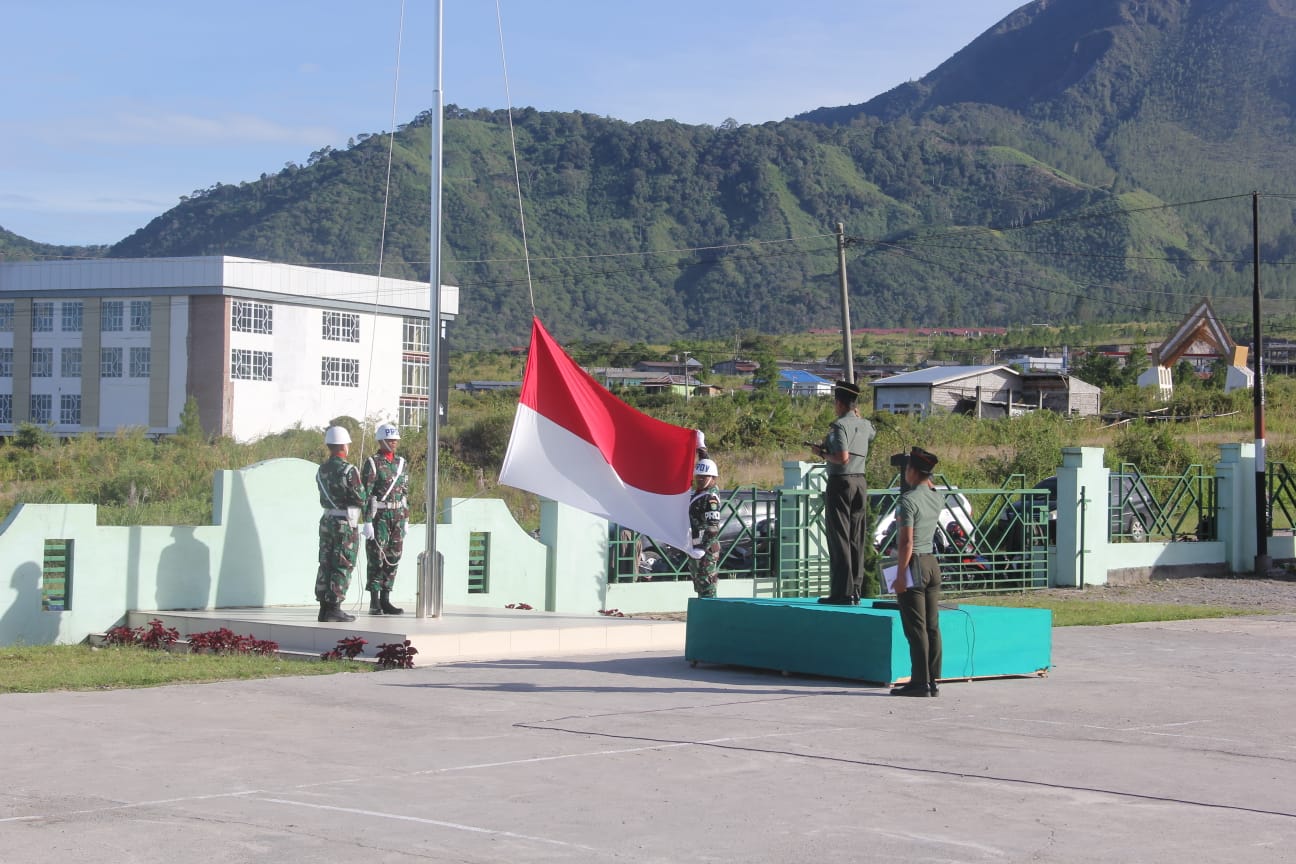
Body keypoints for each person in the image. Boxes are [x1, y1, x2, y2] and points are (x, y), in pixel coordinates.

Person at [809, 380, 876, 604]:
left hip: (841, 482)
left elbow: (842, 458)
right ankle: (856, 589)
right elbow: (870, 435)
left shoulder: (839, 426)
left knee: (839, 537)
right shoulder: (865, 424)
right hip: (860, 482)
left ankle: (841, 592)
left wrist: (822, 454)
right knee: (856, 535)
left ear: (839, 403)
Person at [890, 447, 944, 697]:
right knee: (932, 626)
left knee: (916, 628)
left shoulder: (907, 501)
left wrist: (900, 575)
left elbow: (906, 543)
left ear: (912, 471)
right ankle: (933, 680)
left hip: (915, 566)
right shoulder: (937, 497)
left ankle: (919, 681)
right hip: (933, 565)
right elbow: (930, 485)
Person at [315, 425, 365, 623]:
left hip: (327, 520)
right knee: (342, 563)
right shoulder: (349, 470)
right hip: (345, 522)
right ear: (344, 446)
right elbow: (360, 497)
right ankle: (334, 607)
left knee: (325, 562)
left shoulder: (322, 469)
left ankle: (324, 607)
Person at [361, 422, 410, 615]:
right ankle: (374, 601)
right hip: (379, 516)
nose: (393, 443)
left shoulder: (401, 463)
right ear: (381, 441)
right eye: (390, 440)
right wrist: (366, 521)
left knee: (394, 556)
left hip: (397, 515)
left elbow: (405, 492)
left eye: (395, 440)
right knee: (376, 558)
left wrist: (406, 518)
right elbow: (366, 493)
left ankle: (386, 598)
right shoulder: (372, 462)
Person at [688, 456, 723, 598]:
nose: (699, 479)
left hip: (706, 548)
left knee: (707, 583)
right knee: (699, 584)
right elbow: (707, 463)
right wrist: (702, 449)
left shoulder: (710, 498)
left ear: (713, 478)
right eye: (698, 477)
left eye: (704, 477)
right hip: (695, 546)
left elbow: (713, 527)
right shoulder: (701, 493)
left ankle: (711, 613)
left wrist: (702, 548)